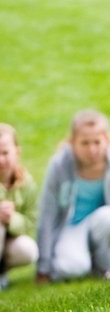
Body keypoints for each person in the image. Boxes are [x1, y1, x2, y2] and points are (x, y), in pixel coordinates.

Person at [36, 110, 110, 282]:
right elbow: (47, 215)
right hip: (69, 227)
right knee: (74, 268)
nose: (92, 149)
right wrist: (43, 267)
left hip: (99, 224)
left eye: (97, 142)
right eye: (84, 143)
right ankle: (78, 261)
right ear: (72, 143)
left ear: (106, 140)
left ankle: (102, 266)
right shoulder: (59, 166)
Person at [0, 124, 38, 291]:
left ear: (17, 152)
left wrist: (11, 219)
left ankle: (2, 273)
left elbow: (31, 220)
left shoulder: (26, 182)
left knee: (28, 250)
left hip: (8, 239)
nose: (0, 160)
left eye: (5, 153)